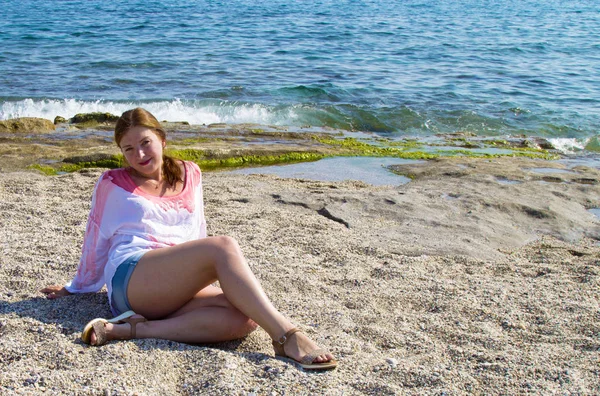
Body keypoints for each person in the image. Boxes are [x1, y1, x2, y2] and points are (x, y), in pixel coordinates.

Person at [41, 107, 337, 370]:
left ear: (162, 139)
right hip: (131, 278)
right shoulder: (112, 183)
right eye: (129, 149)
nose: (139, 155)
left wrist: (202, 279)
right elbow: (96, 238)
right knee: (223, 246)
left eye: (146, 143)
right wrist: (77, 287)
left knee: (244, 317)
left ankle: (129, 330)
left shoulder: (190, 173)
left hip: (174, 282)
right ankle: (287, 336)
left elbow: (197, 230)